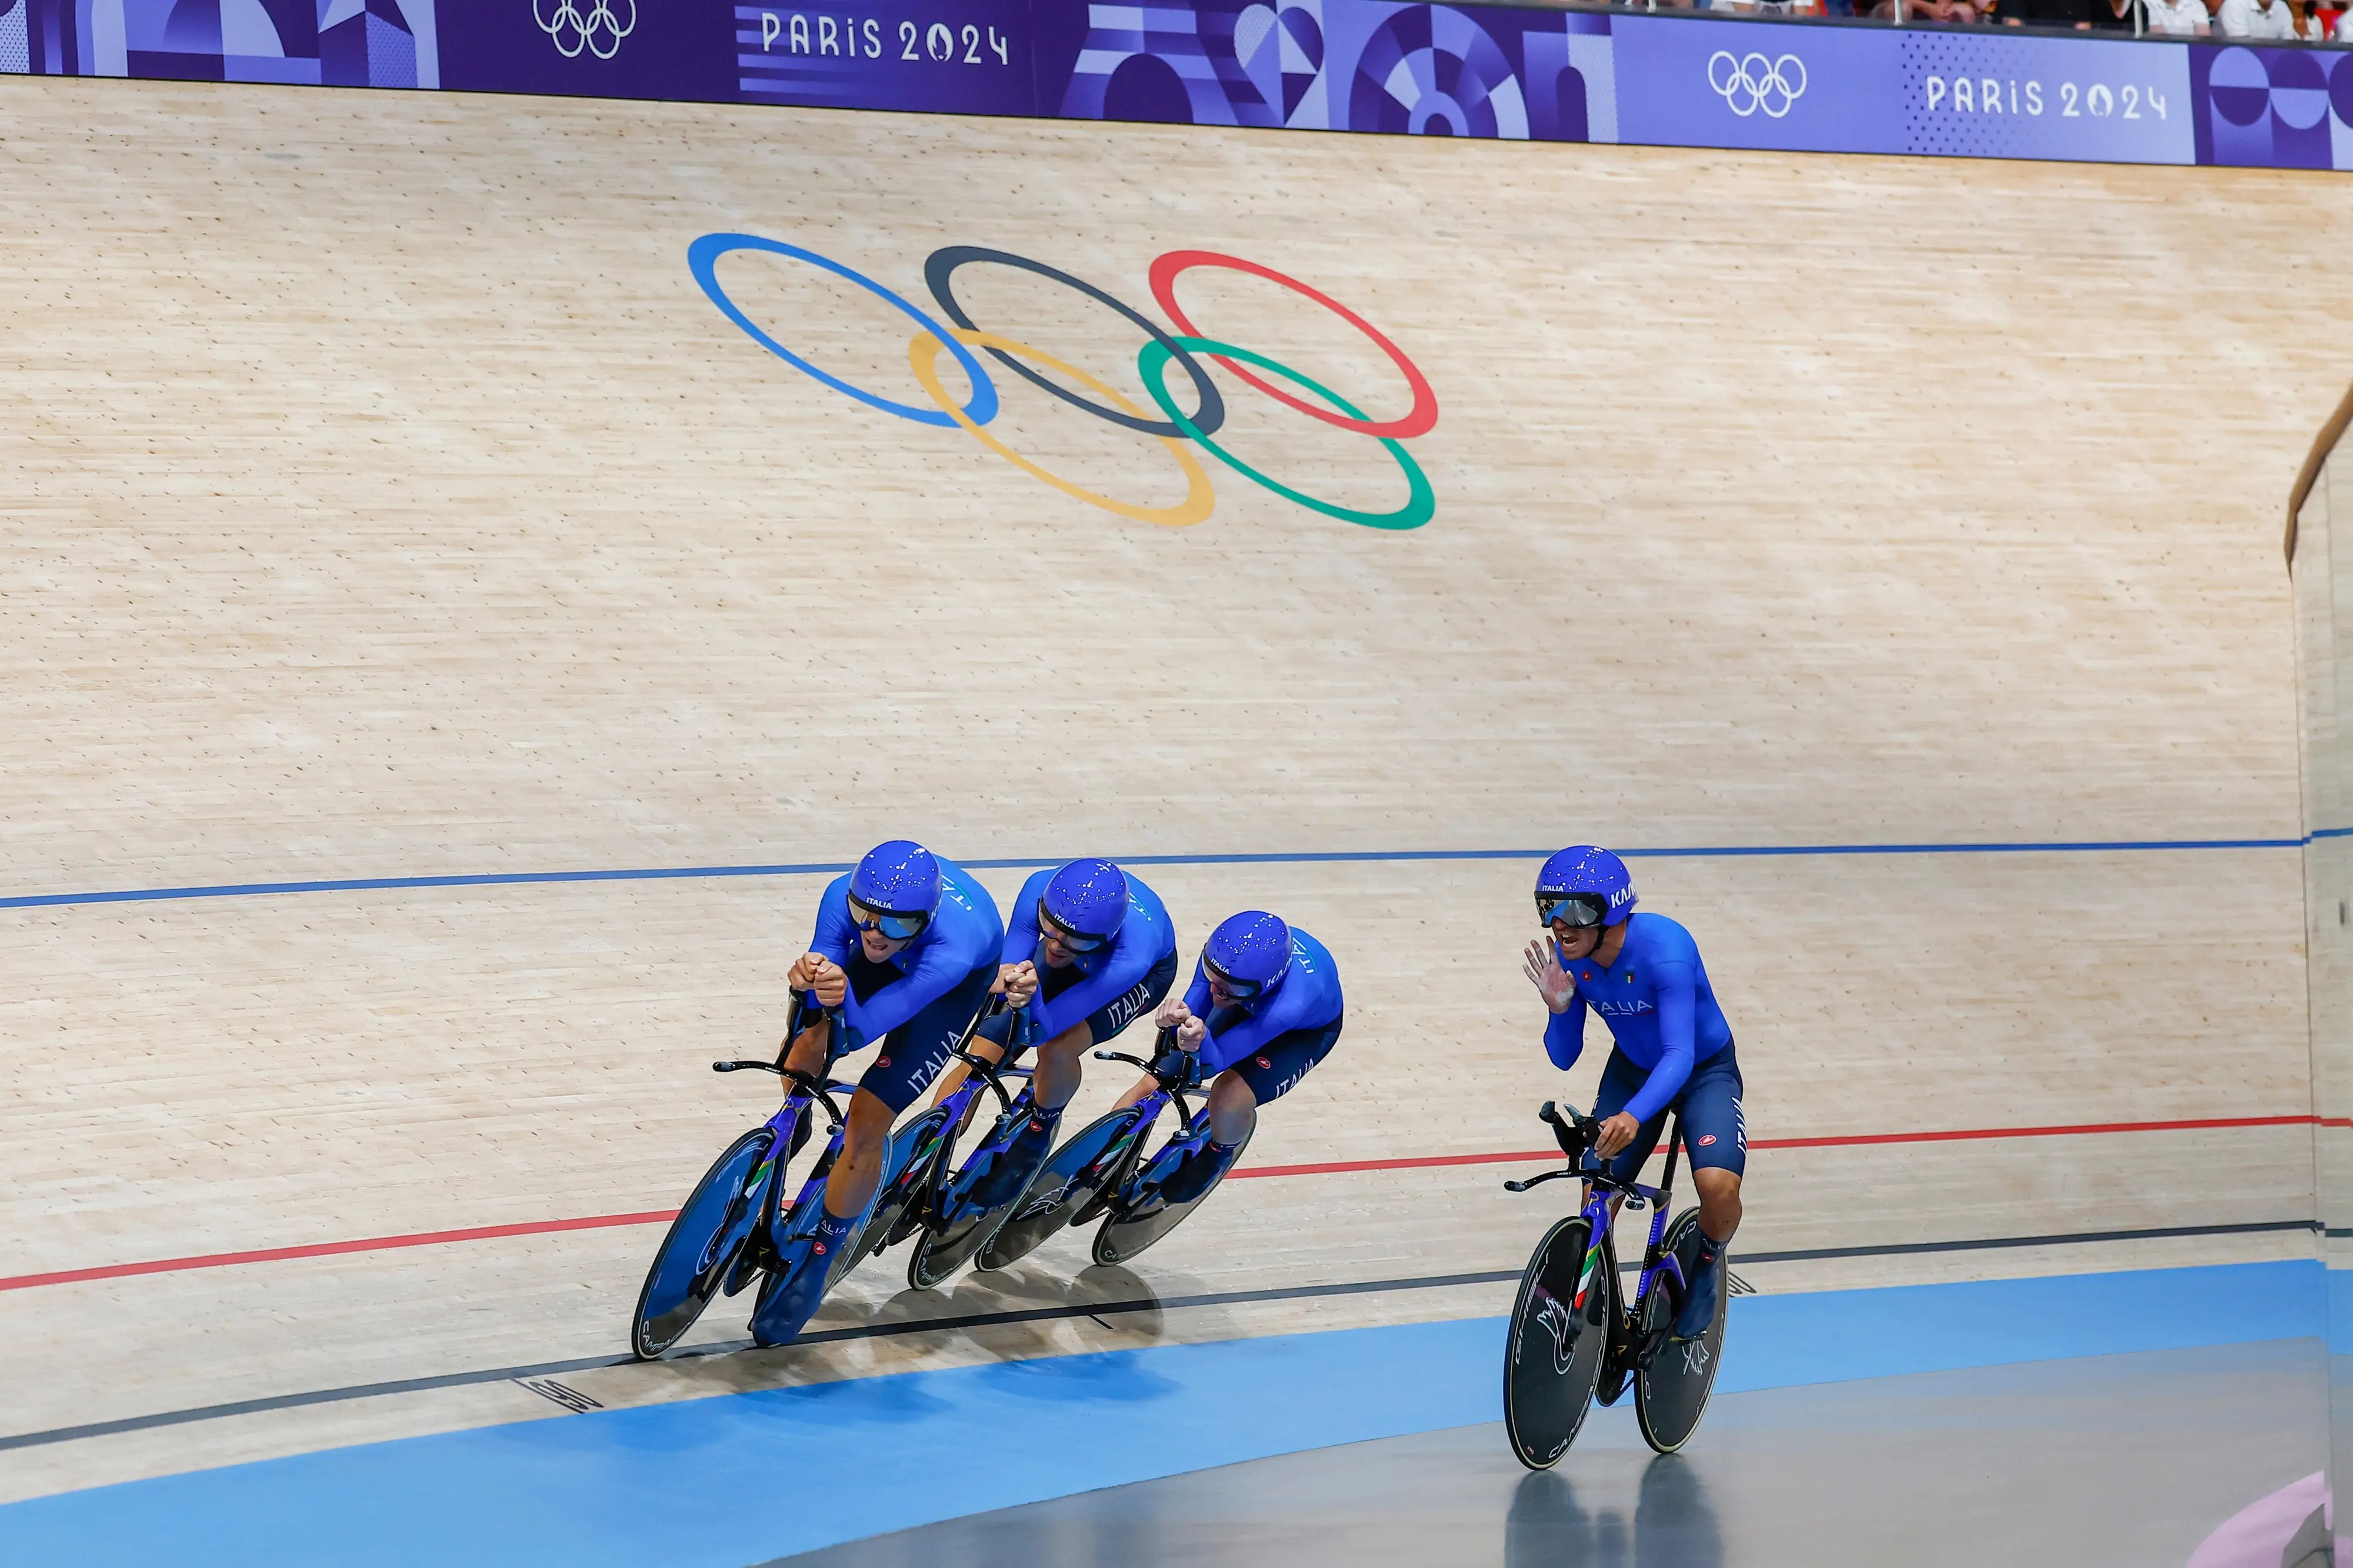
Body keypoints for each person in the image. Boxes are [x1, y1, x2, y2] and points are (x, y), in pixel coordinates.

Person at [1519, 846, 1745, 1342]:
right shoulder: (1570, 956)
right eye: (1548, 908)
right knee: (1596, 1192)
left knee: (1718, 1189)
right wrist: (1559, 1008)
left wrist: (1636, 1115)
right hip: (1634, 1069)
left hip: (1701, 1069)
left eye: (1575, 909)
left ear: (1613, 910)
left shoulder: (1667, 950)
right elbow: (1564, 1057)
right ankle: (1598, 1294)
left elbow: (1679, 1055)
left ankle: (1707, 1265)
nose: (1559, 924)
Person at [775, 839, 1004, 1282]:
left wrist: (837, 998)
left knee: (866, 1123)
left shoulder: (954, 951)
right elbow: (821, 997)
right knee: (807, 1033)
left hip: (948, 991)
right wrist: (810, 981)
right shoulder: (843, 899)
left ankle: (821, 1259)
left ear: (925, 918)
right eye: (865, 916)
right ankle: (792, 1121)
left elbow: (860, 1031)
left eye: (897, 923)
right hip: (907, 955)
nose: (876, 932)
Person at [941, 857, 1181, 1208]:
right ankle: (928, 1155)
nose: (1054, 945)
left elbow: (1043, 1029)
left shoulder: (1133, 955)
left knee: (1057, 1047)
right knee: (983, 1052)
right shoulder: (1040, 888)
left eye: (1072, 941)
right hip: (1085, 944)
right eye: (1049, 930)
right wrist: (1013, 983)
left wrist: (1034, 999)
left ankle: (1039, 1129)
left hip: (1128, 977)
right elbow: (1011, 968)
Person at [1135, 910, 1344, 1205]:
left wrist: (1198, 1040)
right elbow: (1194, 1011)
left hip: (1301, 1034)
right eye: (1212, 976)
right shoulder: (1224, 961)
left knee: (1228, 1094)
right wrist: (1177, 1019)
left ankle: (1219, 1154)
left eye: (1230, 988)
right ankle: (1099, 1158)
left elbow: (1213, 1062)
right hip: (1249, 996)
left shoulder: (1288, 1004)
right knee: (1159, 1075)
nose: (1215, 992)